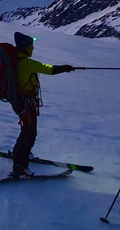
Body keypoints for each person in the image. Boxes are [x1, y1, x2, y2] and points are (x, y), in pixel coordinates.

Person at [11, 31, 74, 178]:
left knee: (26, 130)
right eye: (31, 46)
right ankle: (20, 165)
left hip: (18, 102)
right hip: (27, 104)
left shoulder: (15, 60)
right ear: (25, 47)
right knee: (29, 133)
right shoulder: (27, 63)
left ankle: (19, 154)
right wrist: (65, 67)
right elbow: (49, 69)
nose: (33, 49)